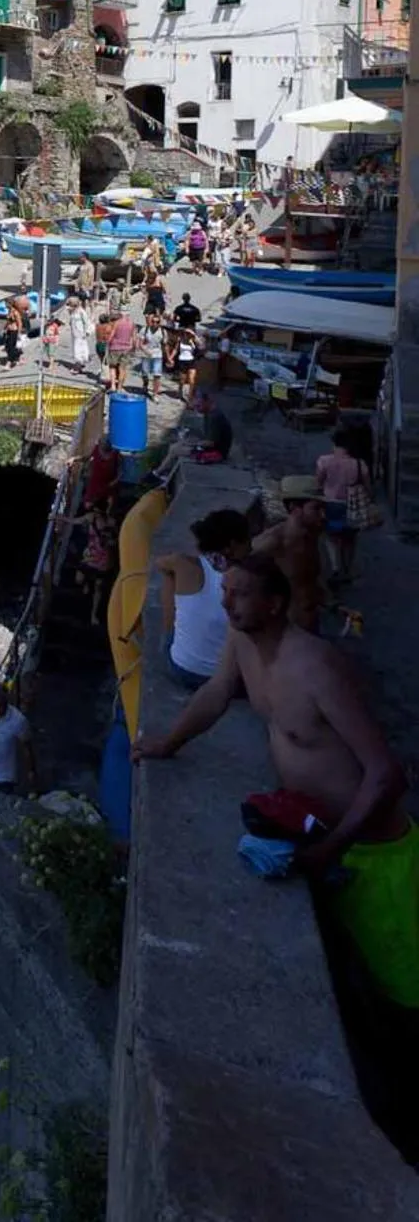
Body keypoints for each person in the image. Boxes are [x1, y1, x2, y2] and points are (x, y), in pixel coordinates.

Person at [133, 555, 419, 1014]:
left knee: (406, 986)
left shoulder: (315, 668)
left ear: (275, 603)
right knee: (361, 978)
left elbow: (386, 773)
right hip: (320, 834)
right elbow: (217, 693)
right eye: (225, 591)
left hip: (375, 854)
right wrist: (168, 743)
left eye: (241, 594)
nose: (226, 603)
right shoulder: (243, 641)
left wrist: (331, 849)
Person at [156, 507, 253, 686]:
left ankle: (170, 631)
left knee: (170, 575)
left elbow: (160, 563)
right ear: (233, 545)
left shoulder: (183, 563)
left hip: (181, 668)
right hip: (224, 679)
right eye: (248, 540)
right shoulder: (247, 578)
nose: (251, 545)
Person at [254, 477, 330, 633]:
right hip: (285, 630)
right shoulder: (272, 542)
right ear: (294, 508)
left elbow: (310, 579)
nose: (323, 515)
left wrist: (334, 604)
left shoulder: (312, 535)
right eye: (316, 509)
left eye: (324, 508)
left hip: (311, 624)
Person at [316, 427, 371, 583]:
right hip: (352, 507)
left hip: (331, 505)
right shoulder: (359, 464)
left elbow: (318, 484)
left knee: (331, 537)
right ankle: (348, 570)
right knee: (350, 539)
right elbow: (368, 487)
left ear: (334, 443)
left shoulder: (324, 461)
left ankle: (335, 568)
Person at [106, 304, 137, 391]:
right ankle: (119, 387)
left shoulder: (117, 323)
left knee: (112, 367)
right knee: (122, 369)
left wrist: (108, 343)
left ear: (120, 313)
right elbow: (134, 338)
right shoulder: (132, 324)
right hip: (126, 349)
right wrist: (134, 348)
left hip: (115, 347)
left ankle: (113, 385)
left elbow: (112, 335)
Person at [138, 308, 164, 398]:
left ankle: (155, 394)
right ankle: (145, 384)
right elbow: (140, 344)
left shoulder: (162, 331)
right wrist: (146, 351)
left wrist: (169, 357)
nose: (155, 324)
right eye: (153, 321)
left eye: (157, 322)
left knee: (157, 375)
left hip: (158, 355)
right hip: (146, 354)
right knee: (145, 373)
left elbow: (165, 345)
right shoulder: (145, 330)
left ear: (160, 323)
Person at [69, 294, 93, 376]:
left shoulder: (82, 312)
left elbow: (87, 322)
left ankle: (77, 366)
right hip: (74, 333)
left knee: (78, 350)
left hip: (80, 333)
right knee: (76, 349)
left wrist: (87, 332)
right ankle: (80, 363)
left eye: (70, 304)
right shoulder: (72, 311)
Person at [2, 299, 23, 367]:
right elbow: (8, 321)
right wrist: (4, 328)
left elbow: (20, 323)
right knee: (7, 346)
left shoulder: (15, 312)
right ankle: (18, 358)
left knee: (11, 347)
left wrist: (19, 333)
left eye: (6, 303)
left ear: (10, 304)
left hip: (14, 331)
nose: (5, 305)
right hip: (9, 331)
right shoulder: (9, 311)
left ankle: (9, 362)